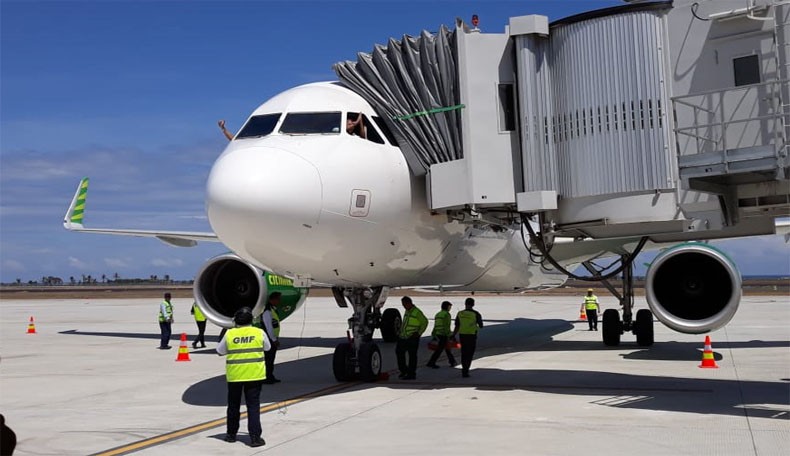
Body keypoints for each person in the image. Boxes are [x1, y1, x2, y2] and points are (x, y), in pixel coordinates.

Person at [217, 307, 270, 447]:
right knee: (253, 406)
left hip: (235, 376)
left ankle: (231, 435)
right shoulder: (259, 332)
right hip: (254, 375)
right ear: (251, 320)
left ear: (236, 321)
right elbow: (268, 348)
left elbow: (219, 351)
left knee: (233, 406)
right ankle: (255, 437)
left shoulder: (230, 334)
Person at [395, 296, 428, 380]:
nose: (403, 306)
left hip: (412, 337)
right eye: (403, 305)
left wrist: (419, 333)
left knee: (412, 356)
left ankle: (411, 374)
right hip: (404, 336)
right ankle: (404, 370)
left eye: (404, 304)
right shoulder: (407, 311)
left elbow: (424, 322)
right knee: (399, 353)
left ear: (409, 303)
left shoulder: (417, 312)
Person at [452, 297, 483, 378]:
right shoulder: (476, 314)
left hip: (462, 335)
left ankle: (464, 369)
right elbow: (481, 326)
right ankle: (466, 370)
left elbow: (457, 326)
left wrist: (453, 335)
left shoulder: (460, 313)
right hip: (471, 336)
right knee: (470, 353)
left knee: (464, 353)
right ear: (473, 304)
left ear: (465, 304)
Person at [259, 292, 282, 384]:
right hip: (269, 339)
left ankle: (270, 376)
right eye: (278, 299)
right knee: (268, 359)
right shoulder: (267, 311)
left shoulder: (272, 309)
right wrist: (274, 340)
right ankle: (267, 377)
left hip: (271, 338)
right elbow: (269, 327)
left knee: (271, 359)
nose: (279, 301)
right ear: (273, 300)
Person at [426, 301, 457, 369]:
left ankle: (452, 361)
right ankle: (431, 362)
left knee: (446, 349)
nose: (450, 308)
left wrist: (434, 334)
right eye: (450, 307)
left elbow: (436, 325)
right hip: (443, 334)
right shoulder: (446, 314)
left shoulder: (438, 314)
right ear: (447, 307)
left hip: (438, 334)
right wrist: (450, 335)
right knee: (440, 350)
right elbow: (446, 326)